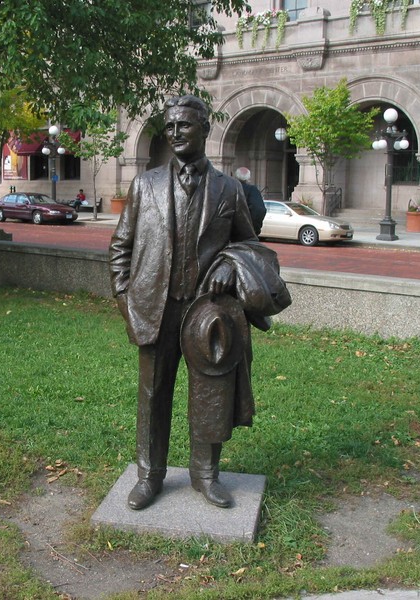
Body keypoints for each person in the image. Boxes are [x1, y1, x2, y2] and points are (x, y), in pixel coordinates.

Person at [109, 95, 290, 511]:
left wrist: (230, 261)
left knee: (212, 392)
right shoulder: (145, 184)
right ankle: (149, 475)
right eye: (169, 126)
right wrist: (125, 299)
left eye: (184, 126)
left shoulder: (229, 189)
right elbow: (121, 246)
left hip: (208, 312)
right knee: (153, 394)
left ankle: (205, 475)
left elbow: (250, 243)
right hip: (155, 308)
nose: (174, 134)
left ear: (205, 129)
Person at [234, 167, 266, 236]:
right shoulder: (252, 190)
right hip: (245, 232)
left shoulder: (228, 188)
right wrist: (254, 228)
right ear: (248, 178)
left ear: (235, 177)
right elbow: (259, 210)